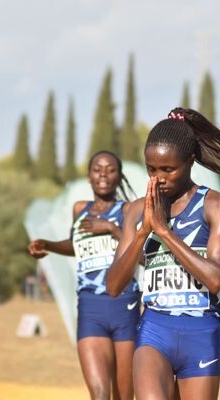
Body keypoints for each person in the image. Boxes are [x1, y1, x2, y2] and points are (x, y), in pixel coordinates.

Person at [106, 107, 220, 400]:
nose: (158, 178)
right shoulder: (136, 210)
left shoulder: (215, 206)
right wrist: (144, 231)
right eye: (151, 169)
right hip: (155, 330)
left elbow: (215, 278)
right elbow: (114, 286)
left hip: (201, 332)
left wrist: (165, 231)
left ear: (190, 161)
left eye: (168, 170)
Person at [28, 150, 139, 400]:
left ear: (119, 176)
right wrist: (48, 245)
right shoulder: (80, 209)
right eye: (97, 170)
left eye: (110, 170)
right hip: (91, 308)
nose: (103, 175)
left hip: (125, 307)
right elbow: (75, 244)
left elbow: (141, 254)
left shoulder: (128, 210)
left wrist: (111, 229)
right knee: (99, 394)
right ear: (89, 176)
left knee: (123, 397)